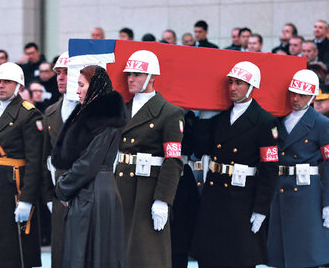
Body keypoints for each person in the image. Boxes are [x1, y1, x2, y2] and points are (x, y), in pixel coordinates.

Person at [191, 61, 279, 268]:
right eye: (231, 82)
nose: (232, 88)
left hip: (243, 197)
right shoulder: (220, 118)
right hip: (214, 195)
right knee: (211, 255)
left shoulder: (265, 121)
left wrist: (261, 209)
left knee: (238, 257)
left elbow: (269, 169)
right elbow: (200, 149)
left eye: (239, 83)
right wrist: (204, 118)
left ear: (252, 86)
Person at [52, 65, 126, 268]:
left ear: (94, 88)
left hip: (93, 192)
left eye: (81, 85)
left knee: (87, 253)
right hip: (96, 189)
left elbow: (87, 163)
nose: (77, 90)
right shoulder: (101, 119)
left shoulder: (103, 121)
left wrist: (62, 188)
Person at [115, 50, 184, 268]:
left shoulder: (169, 113)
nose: (131, 79)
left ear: (152, 76)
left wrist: (163, 199)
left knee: (147, 252)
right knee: (120, 249)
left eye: (137, 74)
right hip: (121, 183)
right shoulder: (122, 110)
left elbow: (173, 160)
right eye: (129, 74)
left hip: (148, 188)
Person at [0, 62, 43, 268]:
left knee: (12, 252)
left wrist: (28, 199)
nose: (1, 85)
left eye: (7, 82)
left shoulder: (29, 114)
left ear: (19, 85)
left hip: (13, 188)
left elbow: (34, 161)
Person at [266, 69, 329, 268]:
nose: (295, 98)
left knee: (304, 252)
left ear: (312, 96)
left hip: (306, 192)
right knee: (280, 254)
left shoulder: (321, 123)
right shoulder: (279, 120)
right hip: (280, 188)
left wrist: (328, 202)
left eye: (301, 94)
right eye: (293, 93)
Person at [41, 52, 78, 268]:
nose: (61, 77)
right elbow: (45, 158)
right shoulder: (50, 111)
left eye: (67, 72)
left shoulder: (92, 110)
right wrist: (47, 196)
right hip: (58, 190)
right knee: (61, 250)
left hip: (87, 190)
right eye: (58, 73)